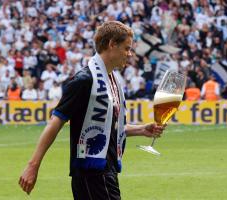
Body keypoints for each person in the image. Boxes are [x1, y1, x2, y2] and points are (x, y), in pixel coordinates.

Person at [18, 21, 165, 200]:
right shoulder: (84, 80)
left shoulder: (111, 81)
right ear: (112, 44)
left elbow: (107, 127)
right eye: (127, 48)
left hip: (105, 170)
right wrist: (33, 165)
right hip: (91, 173)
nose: (129, 54)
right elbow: (56, 121)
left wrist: (142, 129)